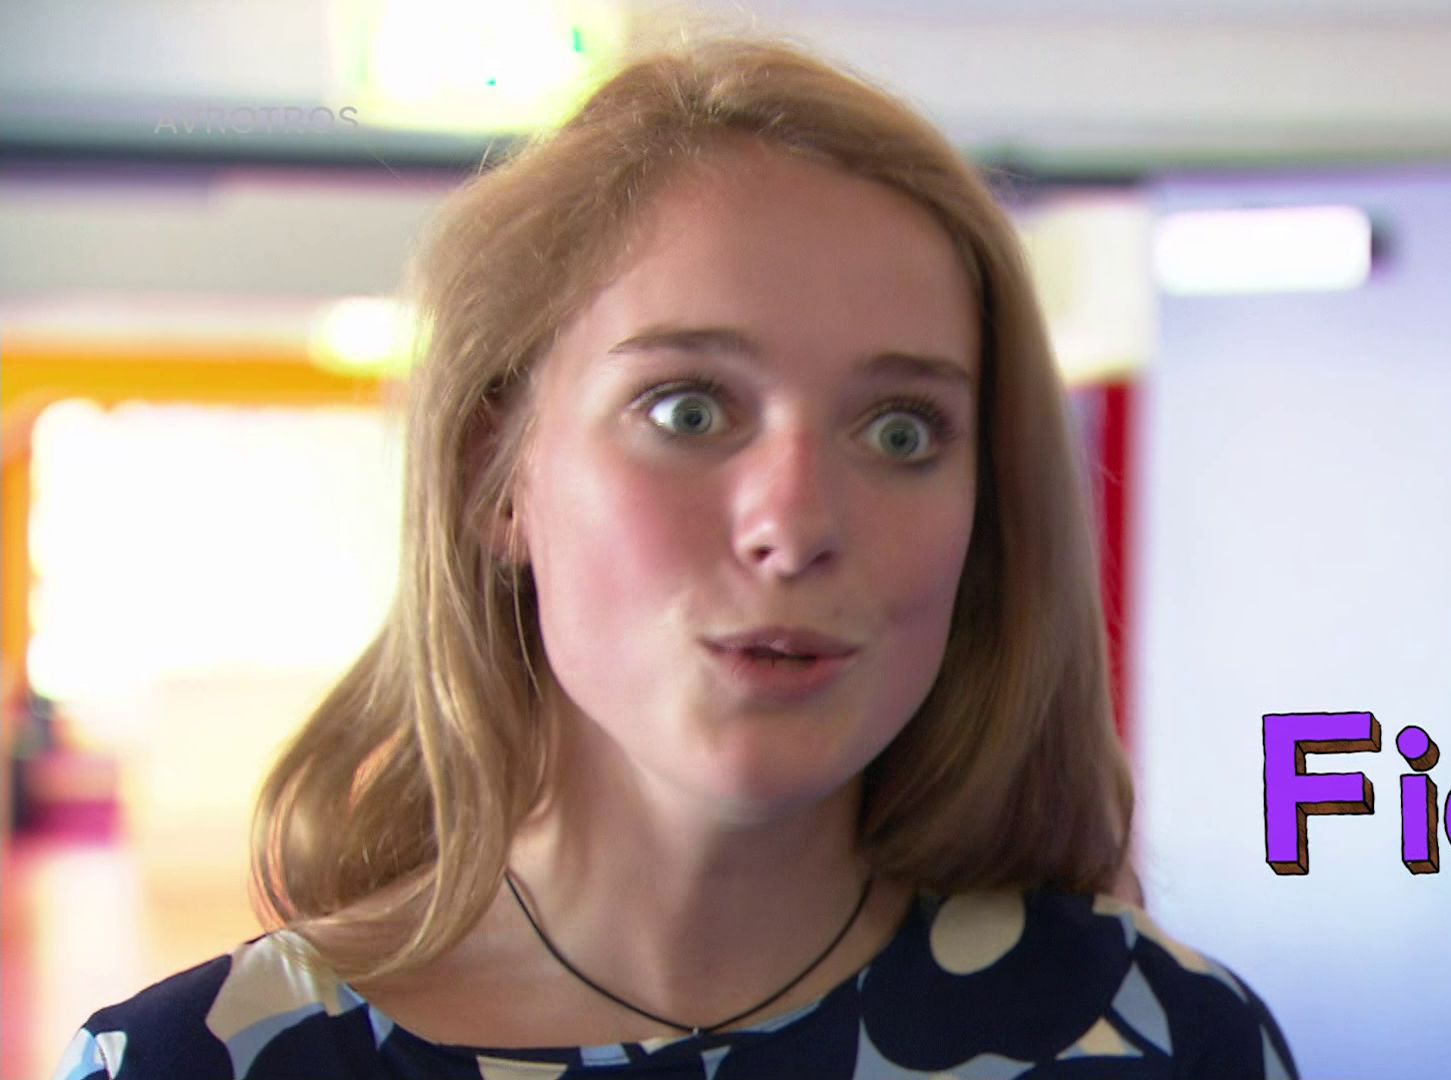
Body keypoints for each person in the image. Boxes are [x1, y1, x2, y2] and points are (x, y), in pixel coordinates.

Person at [56, 31, 1299, 1080]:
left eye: (901, 430)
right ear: (498, 476)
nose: (794, 525)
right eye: (689, 410)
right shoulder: (196, 1063)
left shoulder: (1165, 1040)